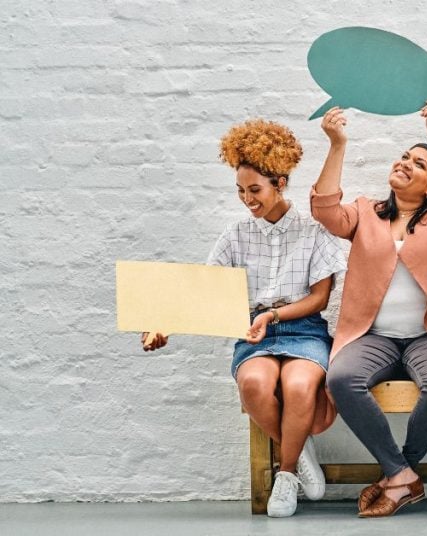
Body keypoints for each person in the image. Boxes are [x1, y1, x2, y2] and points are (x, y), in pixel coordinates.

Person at [142, 119, 346, 518]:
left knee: (301, 385)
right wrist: (164, 323)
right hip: (253, 333)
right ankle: (298, 445)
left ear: (280, 183)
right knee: (254, 384)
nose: (247, 199)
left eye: (255, 190)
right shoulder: (234, 235)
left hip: (303, 329)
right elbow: (204, 290)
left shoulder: (312, 232)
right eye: (240, 191)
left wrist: (273, 314)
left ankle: (285, 475)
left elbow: (320, 299)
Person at [309, 101, 427, 518]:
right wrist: (336, 145)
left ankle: (398, 473)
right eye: (405, 156)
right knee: (343, 378)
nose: (405, 163)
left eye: (419, 164)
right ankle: (402, 476)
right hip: (373, 336)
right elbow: (324, 209)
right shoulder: (366, 212)